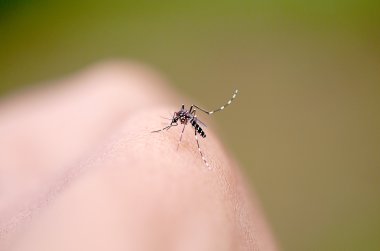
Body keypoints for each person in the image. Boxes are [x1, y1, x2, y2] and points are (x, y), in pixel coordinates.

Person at [0, 61, 278, 250]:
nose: (179, 118)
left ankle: (208, 123)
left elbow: (183, 122)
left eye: (178, 117)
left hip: (197, 131)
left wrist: (187, 139)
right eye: (180, 118)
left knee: (188, 124)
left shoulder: (185, 119)